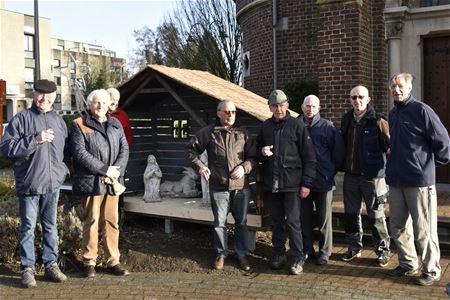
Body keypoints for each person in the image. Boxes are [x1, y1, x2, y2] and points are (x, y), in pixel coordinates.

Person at [1, 79, 69, 288]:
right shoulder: (21, 119)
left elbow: (64, 152)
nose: (44, 100)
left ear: (54, 98)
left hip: (52, 184)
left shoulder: (59, 121)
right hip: (29, 184)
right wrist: (35, 140)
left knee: (50, 226)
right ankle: (27, 269)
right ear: (34, 95)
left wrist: (63, 171)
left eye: (49, 97)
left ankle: (50, 265)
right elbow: (7, 149)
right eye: (41, 95)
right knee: (28, 227)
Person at [386, 73, 450, 286]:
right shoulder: (393, 114)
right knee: (397, 226)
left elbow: (442, 141)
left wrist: (429, 166)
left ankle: (431, 270)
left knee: (424, 229)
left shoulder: (422, 110)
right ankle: (408, 263)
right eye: (393, 86)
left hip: (419, 182)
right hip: (396, 180)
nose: (397, 89)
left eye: (401, 86)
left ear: (409, 87)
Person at [185, 100, 256, 272]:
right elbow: (190, 150)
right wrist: (201, 166)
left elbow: (253, 158)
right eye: (226, 112)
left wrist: (243, 167)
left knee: (241, 223)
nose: (230, 115)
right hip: (219, 187)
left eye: (233, 112)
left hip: (240, 188)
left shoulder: (243, 133)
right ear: (218, 113)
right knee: (219, 223)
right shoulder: (209, 133)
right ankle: (221, 254)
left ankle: (241, 254)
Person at [70, 89, 130, 278]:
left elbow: (124, 148)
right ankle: (89, 262)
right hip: (92, 182)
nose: (100, 106)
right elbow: (79, 154)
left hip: (112, 181)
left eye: (104, 103)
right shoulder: (79, 124)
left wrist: (115, 170)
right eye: (96, 103)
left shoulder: (115, 123)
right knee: (93, 221)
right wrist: (105, 169)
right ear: (89, 104)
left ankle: (113, 261)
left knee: (112, 222)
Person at [256, 89, 316, 275]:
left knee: (293, 222)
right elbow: (256, 148)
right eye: (274, 106)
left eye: (281, 105)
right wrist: (262, 151)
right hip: (272, 184)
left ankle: (297, 258)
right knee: (277, 222)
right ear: (270, 107)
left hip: (292, 184)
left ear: (287, 105)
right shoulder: (265, 126)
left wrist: (306, 183)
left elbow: (309, 157)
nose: (278, 109)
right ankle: (279, 254)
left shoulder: (298, 126)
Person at [339, 85, 390, 267]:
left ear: (368, 99)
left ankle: (382, 251)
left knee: (376, 216)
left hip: (373, 178)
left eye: (361, 97)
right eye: (353, 97)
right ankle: (354, 247)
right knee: (351, 214)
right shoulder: (346, 119)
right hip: (351, 176)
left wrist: (387, 175)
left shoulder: (378, 121)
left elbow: (389, 148)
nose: (357, 100)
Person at [298, 95, 344, 265]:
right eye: (308, 106)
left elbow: (338, 153)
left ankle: (325, 252)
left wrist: (330, 171)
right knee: (305, 218)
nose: (310, 109)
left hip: (323, 181)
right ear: (302, 107)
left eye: (314, 107)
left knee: (324, 219)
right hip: (302, 182)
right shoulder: (296, 125)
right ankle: (307, 249)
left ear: (319, 108)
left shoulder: (328, 127)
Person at [107, 87, 131, 219]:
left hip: (119, 160)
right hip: (102, 162)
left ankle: (119, 220)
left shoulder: (122, 115)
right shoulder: (98, 115)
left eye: (117, 101)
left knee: (119, 190)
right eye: (112, 100)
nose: (114, 103)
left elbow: (128, 139)